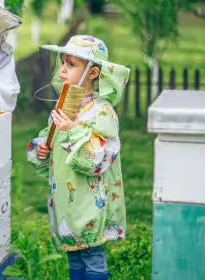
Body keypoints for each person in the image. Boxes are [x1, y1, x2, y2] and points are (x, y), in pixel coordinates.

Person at [26, 35, 130, 280]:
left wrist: (72, 130)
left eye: (71, 64)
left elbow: (100, 157)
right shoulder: (68, 105)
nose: (62, 69)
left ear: (93, 73)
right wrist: (43, 149)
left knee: (92, 255)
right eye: (62, 62)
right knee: (73, 252)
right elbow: (50, 137)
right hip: (66, 198)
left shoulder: (102, 112)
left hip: (92, 200)